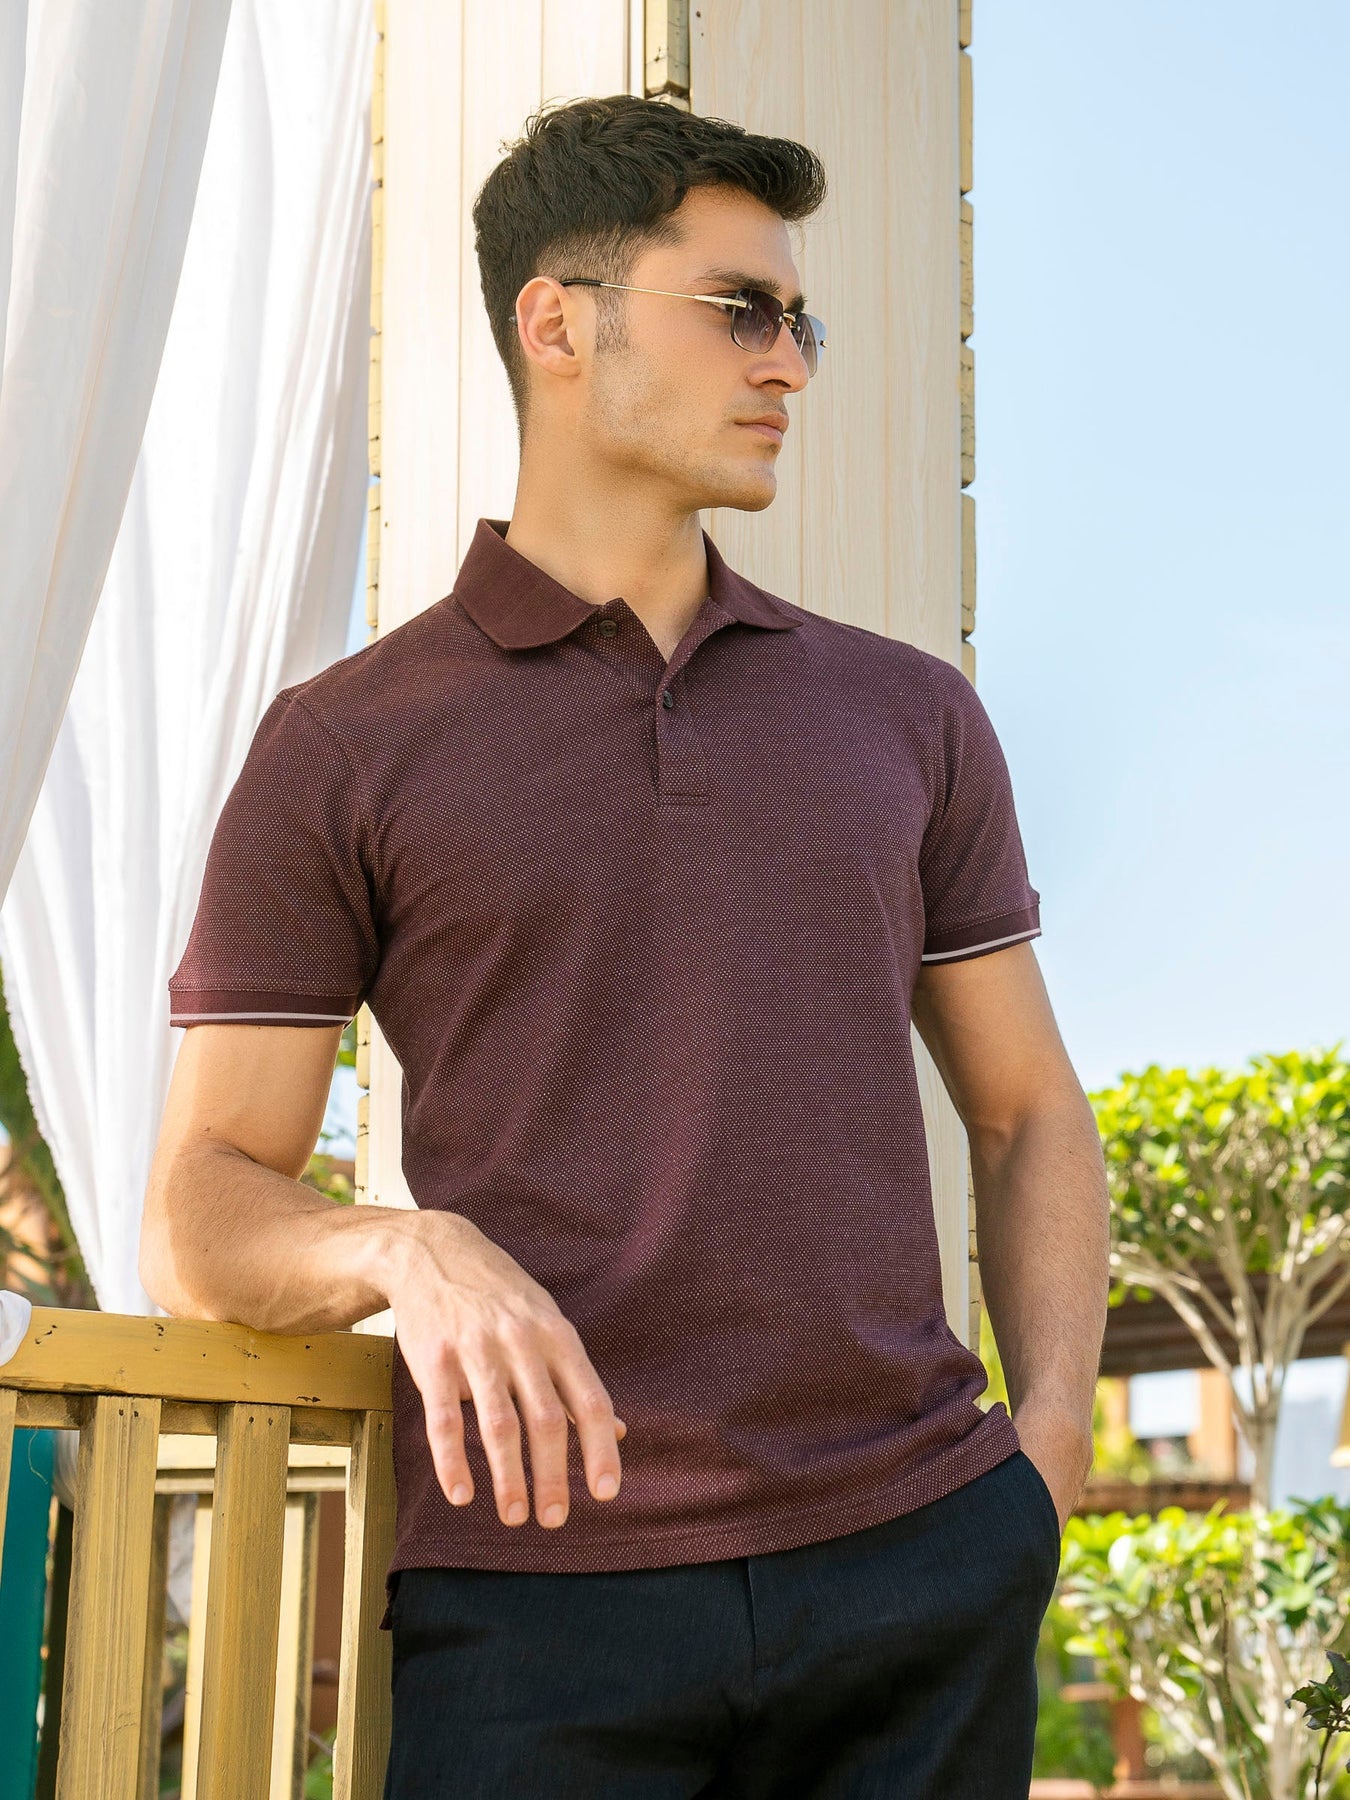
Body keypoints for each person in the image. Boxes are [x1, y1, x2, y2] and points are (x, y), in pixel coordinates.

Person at [141, 92, 1110, 1799]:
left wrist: (1039, 1463)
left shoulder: (909, 716)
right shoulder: (346, 745)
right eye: (738, 309)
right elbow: (200, 1211)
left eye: (799, 322)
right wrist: (407, 1248)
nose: (788, 362)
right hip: (537, 1610)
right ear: (556, 324)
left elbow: (1027, 1109)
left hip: (915, 1566)